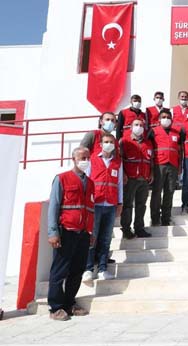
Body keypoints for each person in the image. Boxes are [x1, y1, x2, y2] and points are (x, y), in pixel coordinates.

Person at [47, 147, 95, 321]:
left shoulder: (90, 183)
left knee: (77, 270)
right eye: (82, 157)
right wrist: (53, 232)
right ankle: (55, 307)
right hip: (66, 231)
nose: (85, 161)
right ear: (73, 159)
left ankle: (69, 303)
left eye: (88, 158)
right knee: (59, 271)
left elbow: (90, 209)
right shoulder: (62, 179)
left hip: (83, 233)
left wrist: (91, 232)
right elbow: (53, 206)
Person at [82, 133, 122, 282]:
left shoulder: (117, 162)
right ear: (100, 144)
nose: (108, 144)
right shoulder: (92, 159)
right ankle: (88, 269)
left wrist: (120, 203)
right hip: (95, 204)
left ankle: (103, 269)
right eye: (106, 141)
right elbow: (85, 180)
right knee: (92, 237)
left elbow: (119, 184)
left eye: (111, 142)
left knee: (106, 238)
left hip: (110, 204)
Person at [149, 109, 185, 226]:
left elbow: (180, 151)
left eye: (168, 117)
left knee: (169, 192)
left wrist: (180, 166)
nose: (166, 119)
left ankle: (166, 218)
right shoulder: (153, 131)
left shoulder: (177, 133)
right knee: (157, 192)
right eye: (163, 117)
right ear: (159, 119)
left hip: (173, 165)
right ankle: (155, 218)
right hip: (159, 164)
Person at [120, 119, 153, 239]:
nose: (139, 127)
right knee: (128, 205)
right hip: (130, 179)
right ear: (131, 127)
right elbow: (120, 159)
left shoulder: (148, 143)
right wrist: (123, 174)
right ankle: (126, 229)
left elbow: (151, 160)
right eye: (136, 125)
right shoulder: (124, 141)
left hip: (144, 179)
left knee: (141, 205)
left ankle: (139, 228)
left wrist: (152, 173)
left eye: (141, 125)